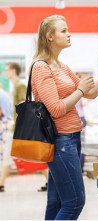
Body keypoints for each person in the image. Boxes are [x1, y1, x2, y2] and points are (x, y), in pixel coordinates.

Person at [31, 15, 98, 220]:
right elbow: (55, 109)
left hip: (71, 138)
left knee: (56, 203)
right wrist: (80, 90)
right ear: (50, 36)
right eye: (63, 30)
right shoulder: (41, 67)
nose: (69, 33)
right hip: (60, 141)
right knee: (74, 202)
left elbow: (92, 92)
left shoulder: (61, 66)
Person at [5, 62, 49, 192]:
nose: (4, 72)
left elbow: (25, 106)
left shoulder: (20, 86)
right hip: (17, 126)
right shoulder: (16, 86)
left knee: (18, 154)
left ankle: (49, 180)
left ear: (13, 70)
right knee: (11, 155)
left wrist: (21, 126)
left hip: (19, 127)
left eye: (6, 69)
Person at [0, 84, 13, 192]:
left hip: (3, 123)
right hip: (7, 123)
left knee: (3, 154)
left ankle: (1, 183)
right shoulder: (4, 94)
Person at [75, 73, 88, 174]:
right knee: (81, 144)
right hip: (81, 117)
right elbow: (85, 103)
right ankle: (80, 169)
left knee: (76, 144)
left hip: (76, 118)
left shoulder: (72, 91)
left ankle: (77, 169)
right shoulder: (81, 91)